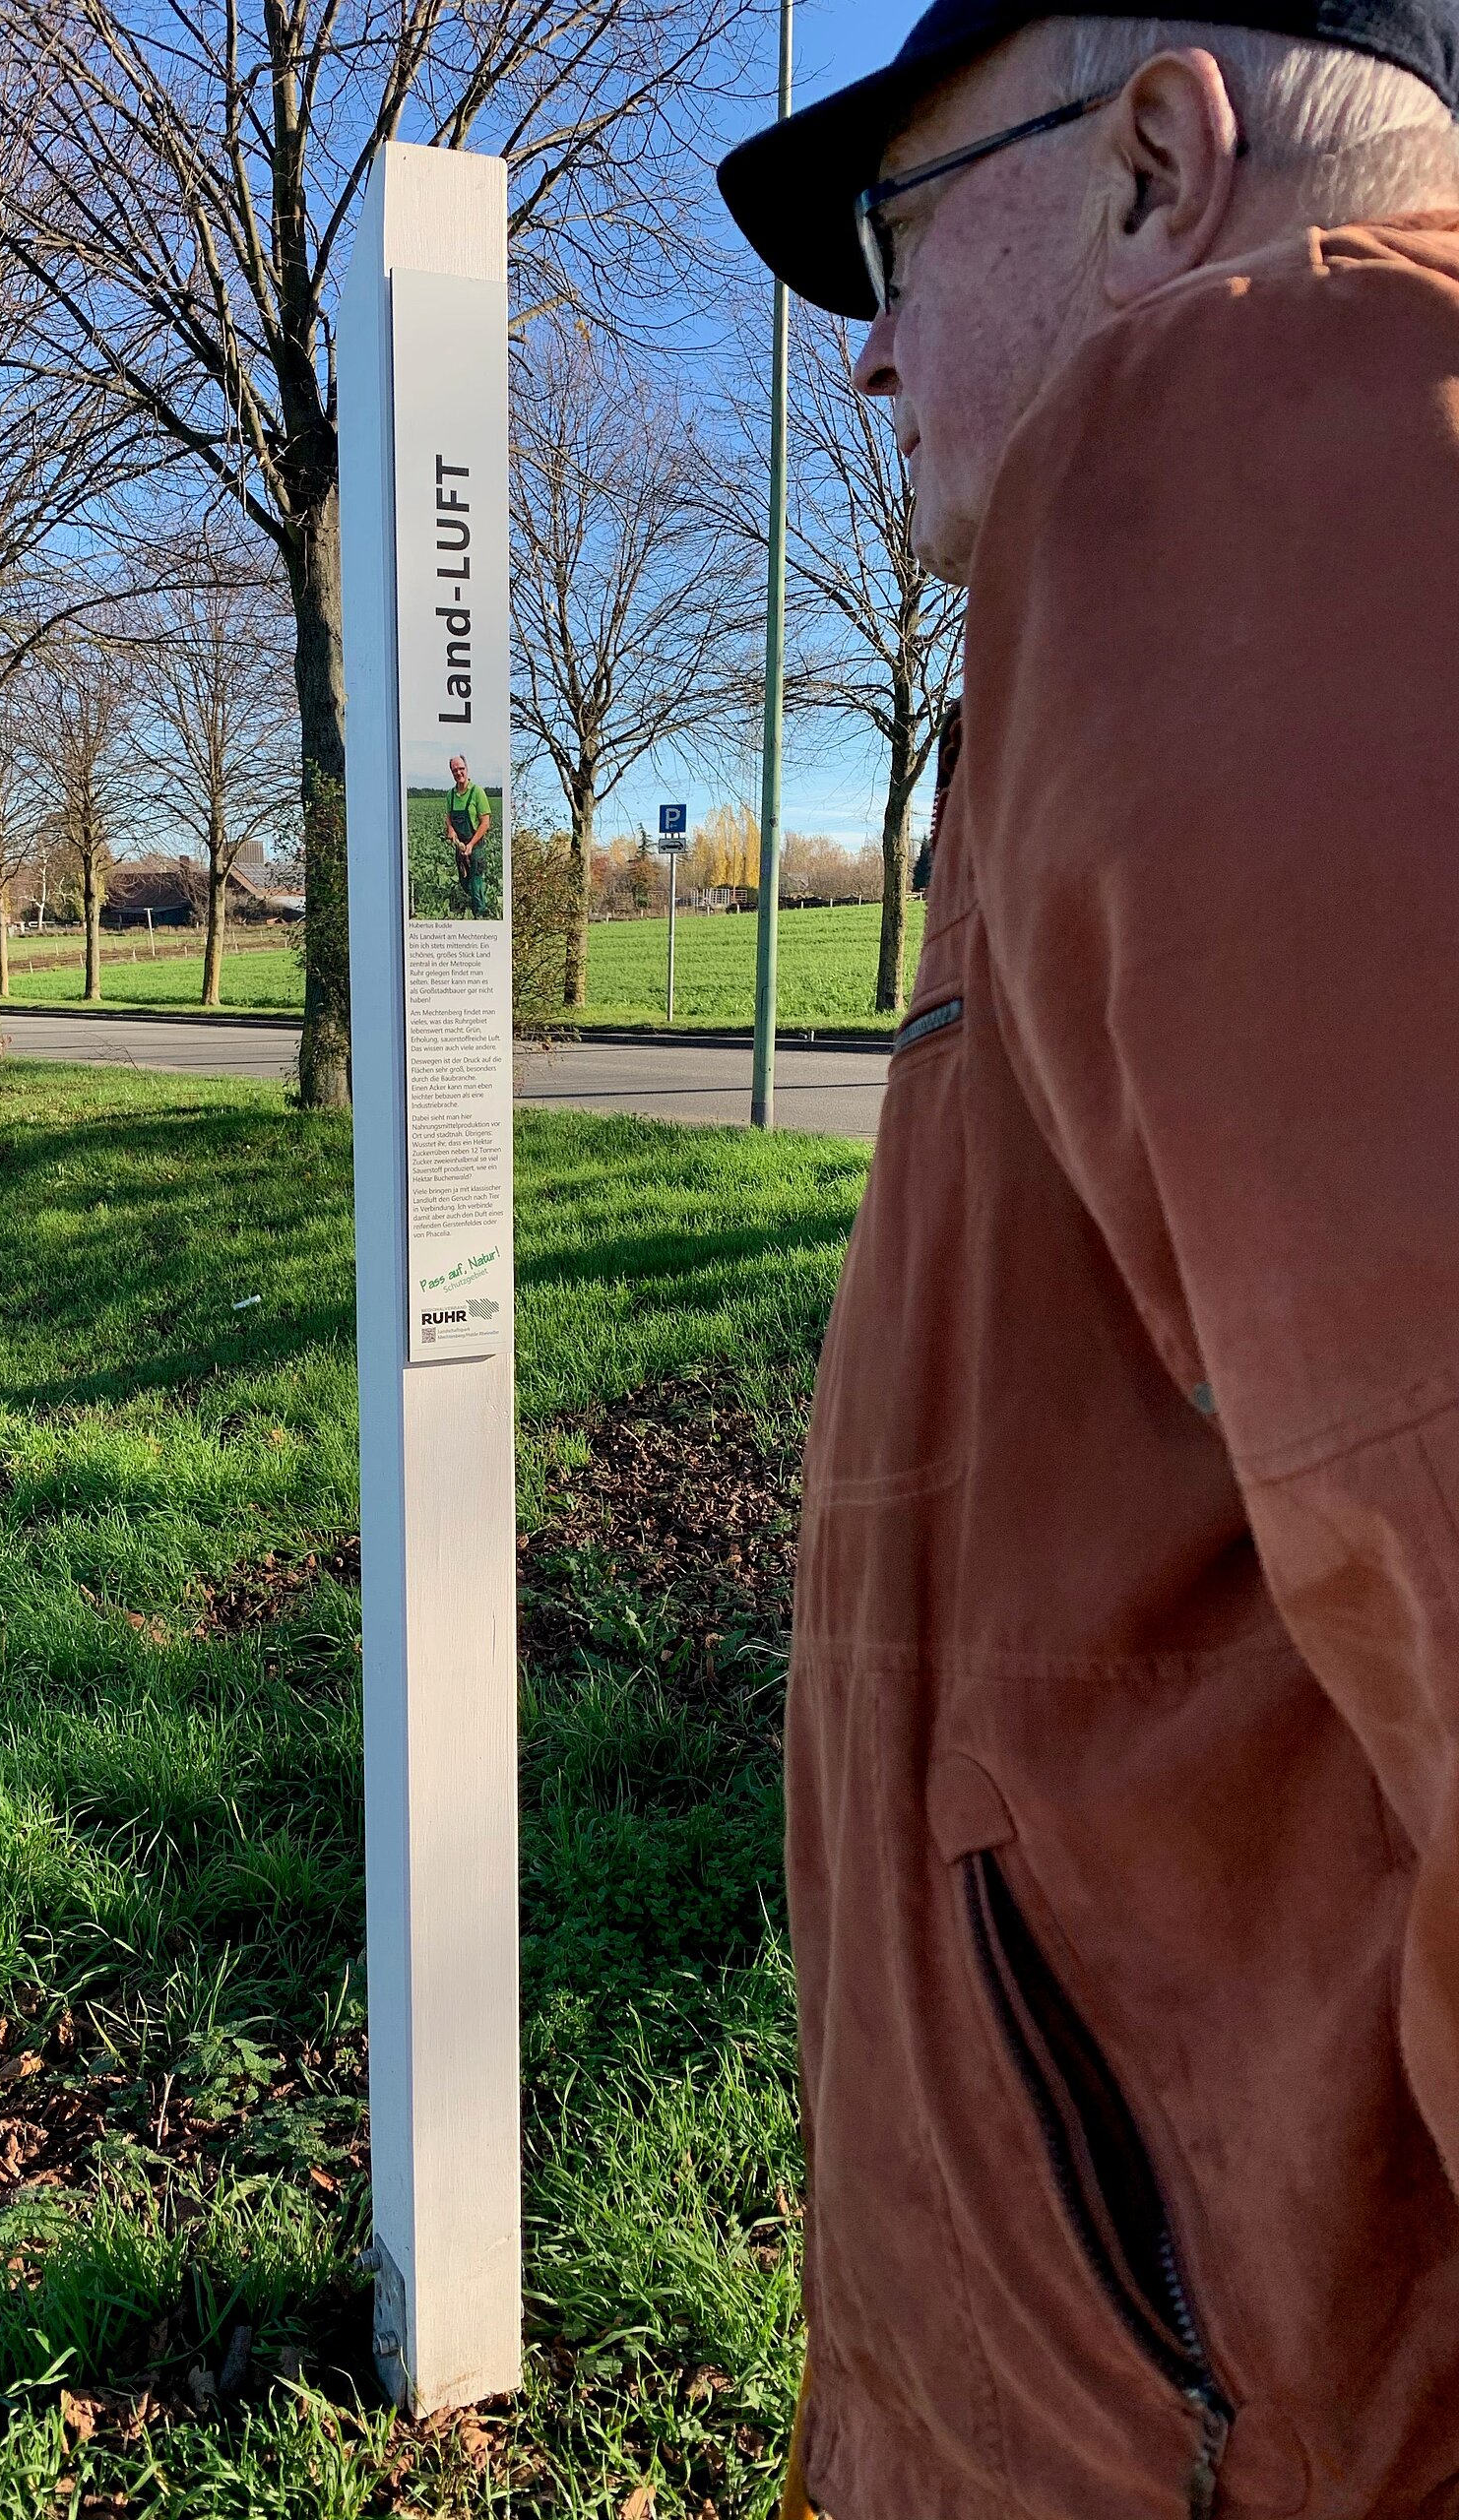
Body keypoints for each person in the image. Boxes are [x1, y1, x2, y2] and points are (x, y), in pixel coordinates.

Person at [719, 5, 1459, 2515]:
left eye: (897, 242)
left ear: (1155, 159)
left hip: (1198, 2425)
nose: (869, 356)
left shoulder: (1270, 423)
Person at [445, 753, 492, 915]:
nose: (458, 773)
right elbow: (449, 818)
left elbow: (485, 823)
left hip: (475, 845)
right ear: (451, 772)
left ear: (467, 769)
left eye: (461, 769)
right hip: (460, 846)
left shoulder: (477, 792)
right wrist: (450, 829)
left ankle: (480, 913)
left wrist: (471, 845)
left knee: (476, 881)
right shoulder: (450, 795)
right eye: (454, 770)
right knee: (465, 882)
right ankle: (472, 899)